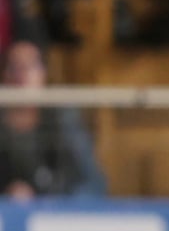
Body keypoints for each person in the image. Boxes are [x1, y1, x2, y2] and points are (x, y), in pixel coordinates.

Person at [0, 43, 107, 200]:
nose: (20, 75)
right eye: (13, 67)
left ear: (43, 74)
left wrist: (44, 200)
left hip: (55, 215)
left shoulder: (62, 119)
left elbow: (92, 184)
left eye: (29, 66)